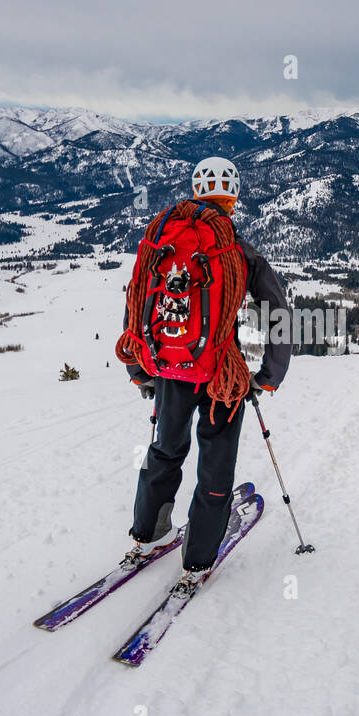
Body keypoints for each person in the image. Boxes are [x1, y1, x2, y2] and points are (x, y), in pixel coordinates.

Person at [118, 157, 290, 591]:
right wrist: (269, 374)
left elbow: (138, 300)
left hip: (171, 368)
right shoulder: (237, 247)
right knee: (215, 465)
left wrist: (141, 368)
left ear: (196, 190)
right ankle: (197, 560)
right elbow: (276, 312)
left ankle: (147, 536)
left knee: (165, 451)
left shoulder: (163, 238)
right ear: (232, 197)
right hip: (222, 376)